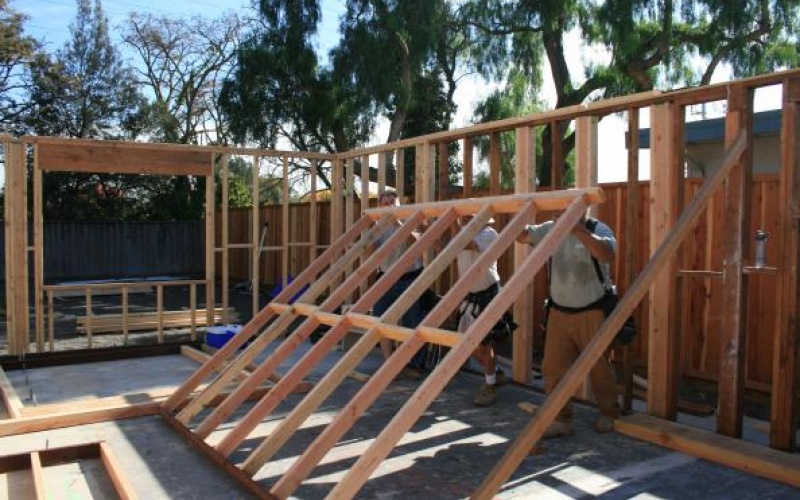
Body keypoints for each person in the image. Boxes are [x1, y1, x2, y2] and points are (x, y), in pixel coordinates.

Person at [517, 210, 619, 436]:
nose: (563, 212)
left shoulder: (598, 229)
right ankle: (561, 419)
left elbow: (607, 254)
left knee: (599, 366)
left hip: (592, 310)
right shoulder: (551, 228)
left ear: (583, 210)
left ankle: (609, 413)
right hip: (559, 312)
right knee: (552, 368)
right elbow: (522, 236)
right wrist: (524, 210)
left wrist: (576, 229)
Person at [372, 189, 428, 377]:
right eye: (385, 203)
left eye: (391, 202)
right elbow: (371, 251)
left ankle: (413, 365)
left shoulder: (410, 218)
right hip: (385, 278)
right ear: (380, 205)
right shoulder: (378, 224)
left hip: (409, 278)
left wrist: (398, 225)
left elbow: (417, 242)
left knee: (411, 324)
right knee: (381, 321)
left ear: (398, 203)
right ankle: (390, 364)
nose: (388, 205)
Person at [456, 214, 508, 406]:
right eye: (464, 217)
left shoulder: (488, 233)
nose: (464, 220)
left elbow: (470, 245)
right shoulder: (463, 235)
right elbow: (448, 249)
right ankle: (494, 373)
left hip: (487, 292)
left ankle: (490, 386)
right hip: (471, 295)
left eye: (468, 216)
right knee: (464, 342)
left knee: (484, 342)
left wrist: (454, 223)